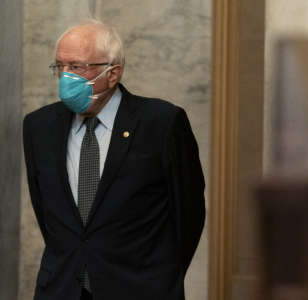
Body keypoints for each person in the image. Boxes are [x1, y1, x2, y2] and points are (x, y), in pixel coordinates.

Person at [23, 19, 205, 300]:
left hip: (140, 288)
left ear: (113, 73)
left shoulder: (162, 123)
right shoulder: (39, 127)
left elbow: (188, 215)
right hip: (62, 288)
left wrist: (161, 276)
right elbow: (48, 216)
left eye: (77, 67)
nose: (65, 77)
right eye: (60, 66)